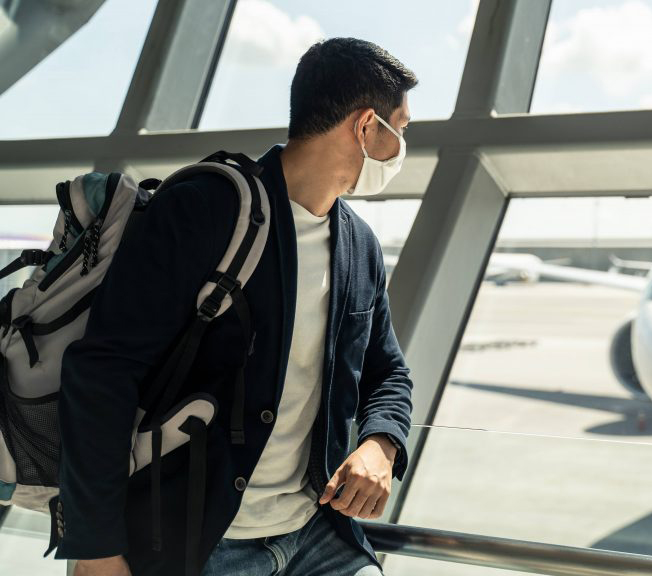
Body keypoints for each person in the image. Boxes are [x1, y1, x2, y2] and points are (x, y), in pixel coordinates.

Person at [55, 38, 416, 576]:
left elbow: (388, 371)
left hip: (318, 535)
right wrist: (95, 546)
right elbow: (102, 373)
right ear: (366, 127)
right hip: (198, 542)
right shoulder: (206, 209)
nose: (402, 147)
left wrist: (381, 443)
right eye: (401, 130)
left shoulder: (358, 244)